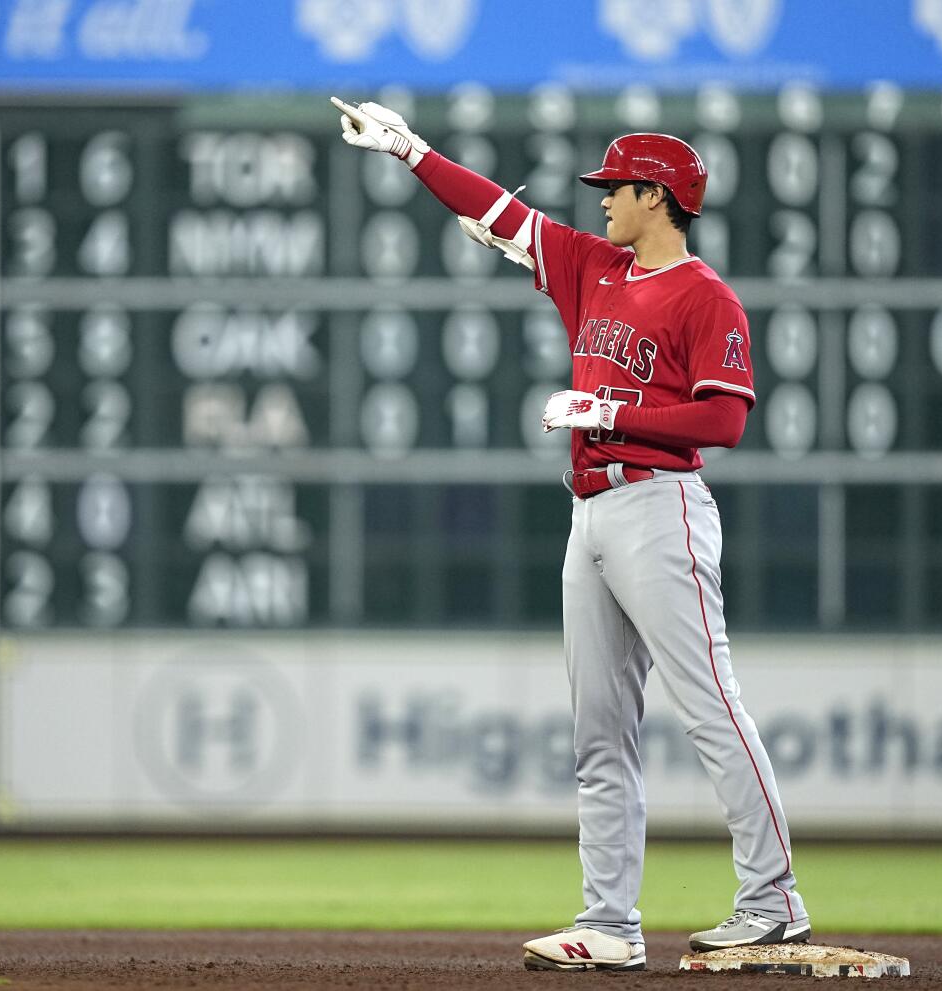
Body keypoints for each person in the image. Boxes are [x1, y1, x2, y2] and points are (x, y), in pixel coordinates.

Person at [331, 97, 811, 972]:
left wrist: (614, 406)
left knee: (710, 706)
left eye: (614, 187)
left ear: (656, 197)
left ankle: (773, 899)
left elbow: (727, 422)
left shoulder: (707, 298)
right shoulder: (593, 267)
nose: (600, 200)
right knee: (598, 729)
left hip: (662, 504)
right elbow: (497, 213)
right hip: (590, 508)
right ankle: (610, 924)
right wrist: (412, 151)